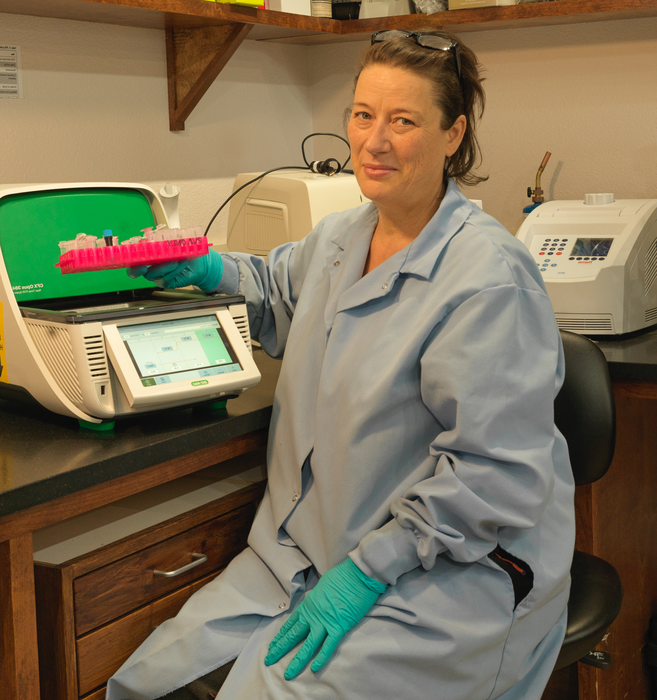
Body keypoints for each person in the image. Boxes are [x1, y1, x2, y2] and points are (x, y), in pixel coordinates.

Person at [107, 28, 574, 700]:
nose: (374, 140)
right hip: (306, 551)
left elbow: (493, 474)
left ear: (452, 134)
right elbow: (276, 291)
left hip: (443, 570)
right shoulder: (340, 237)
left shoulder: (487, 278)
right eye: (362, 115)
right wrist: (209, 268)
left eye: (403, 121)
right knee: (141, 683)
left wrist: (367, 570)